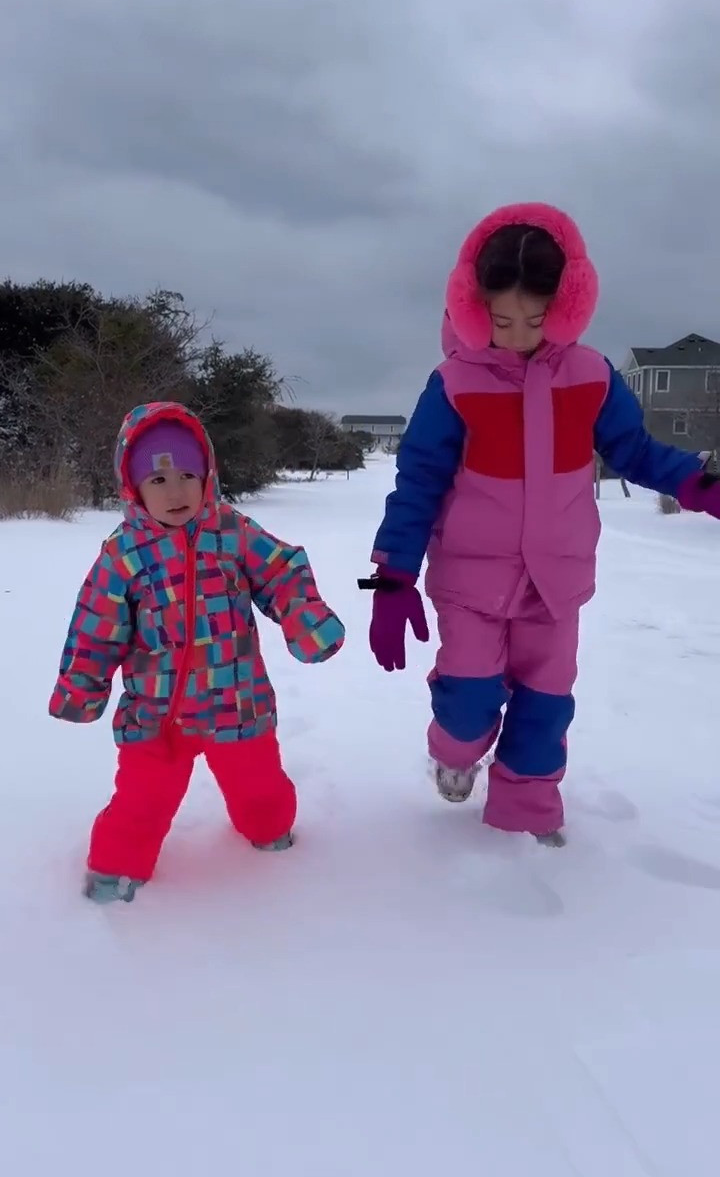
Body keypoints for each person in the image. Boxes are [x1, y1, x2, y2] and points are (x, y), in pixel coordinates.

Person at [362, 202, 720, 845]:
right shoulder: (454, 384)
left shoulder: (591, 376)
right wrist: (393, 576)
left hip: (555, 581)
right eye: (502, 319)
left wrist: (696, 483)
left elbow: (633, 451)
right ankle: (455, 749)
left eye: (536, 317)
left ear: (565, 305)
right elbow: (417, 482)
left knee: (546, 702)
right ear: (475, 308)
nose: (520, 333)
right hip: (472, 580)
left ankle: (524, 813)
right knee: (468, 703)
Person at [50, 401, 345, 902]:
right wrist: (82, 687)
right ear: (133, 486)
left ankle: (271, 836)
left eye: (188, 474)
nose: (177, 491)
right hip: (157, 717)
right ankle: (115, 872)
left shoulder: (232, 532)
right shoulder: (124, 554)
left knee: (261, 788)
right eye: (158, 481)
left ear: (207, 473)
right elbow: (96, 626)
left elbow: (281, 570)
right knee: (142, 800)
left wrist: (305, 617)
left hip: (239, 704)